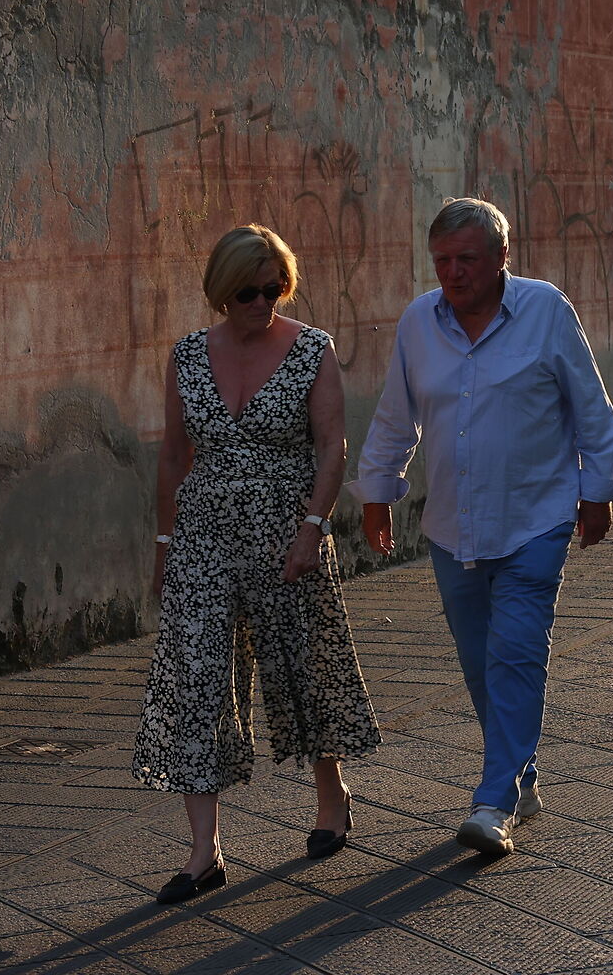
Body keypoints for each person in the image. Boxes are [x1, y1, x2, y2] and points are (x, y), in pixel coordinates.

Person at [359, 197, 613, 861]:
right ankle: (523, 776)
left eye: (467, 260)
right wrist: (376, 492)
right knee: (482, 664)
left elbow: (593, 413)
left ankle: (494, 801)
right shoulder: (419, 323)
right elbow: (397, 416)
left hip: (536, 517)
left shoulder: (545, 313)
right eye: (443, 261)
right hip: (454, 525)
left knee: (515, 654)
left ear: (503, 256)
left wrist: (596, 495)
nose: (453, 273)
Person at [135, 225, 379, 905]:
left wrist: (311, 529)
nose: (263, 301)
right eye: (249, 291)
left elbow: (332, 445)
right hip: (204, 536)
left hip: (286, 534)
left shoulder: (310, 349)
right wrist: (162, 547)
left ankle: (332, 797)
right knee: (197, 678)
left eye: (276, 288)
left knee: (299, 667)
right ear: (221, 291)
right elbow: (173, 458)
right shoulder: (187, 355)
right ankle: (203, 851)